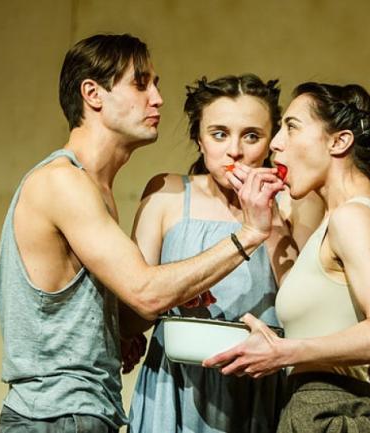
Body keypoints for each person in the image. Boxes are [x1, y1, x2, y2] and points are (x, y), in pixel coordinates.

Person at [0, 34, 284, 433]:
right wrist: (248, 235)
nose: (157, 99)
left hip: (77, 410)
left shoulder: (90, 187)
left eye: (155, 85)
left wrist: (108, 330)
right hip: (57, 414)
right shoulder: (64, 182)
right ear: (92, 94)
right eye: (141, 84)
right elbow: (146, 293)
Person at [204, 82, 370, 432]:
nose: (275, 143)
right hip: (319, 407)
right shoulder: (336, 220)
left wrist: (283, 352)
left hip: (328, 409)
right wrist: (267, 218)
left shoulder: (352, 217)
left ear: (339, 142)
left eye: (292, 127)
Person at [124, 74, 325, 433]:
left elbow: (309, 313)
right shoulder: (167, 192)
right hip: (175, 384)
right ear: (199, 139)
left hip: (258, 389)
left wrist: (269, 220)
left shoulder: (297, 201)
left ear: (272, 141)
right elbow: (132, 313)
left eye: (251, 136)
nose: (235, 150)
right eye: (219, 134)